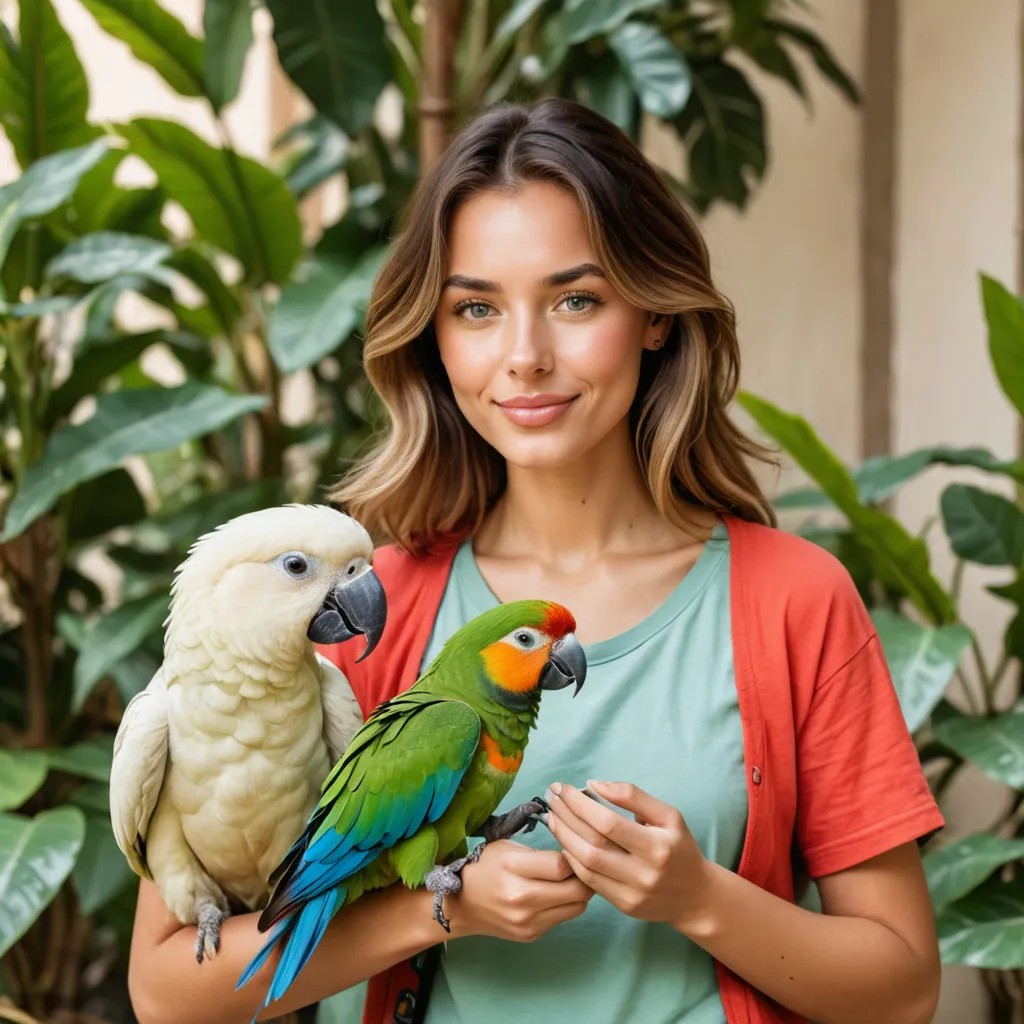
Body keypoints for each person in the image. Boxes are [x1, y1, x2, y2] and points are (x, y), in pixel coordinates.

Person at [127, 99, 943, 1024]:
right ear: (433, 339)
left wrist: (702, 900)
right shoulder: (359, 612)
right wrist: (444, 911)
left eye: (576, 300)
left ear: (655, 315)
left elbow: (905, 987)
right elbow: (167, 992)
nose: (524, 356)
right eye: (475, 308)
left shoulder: (795, 601)